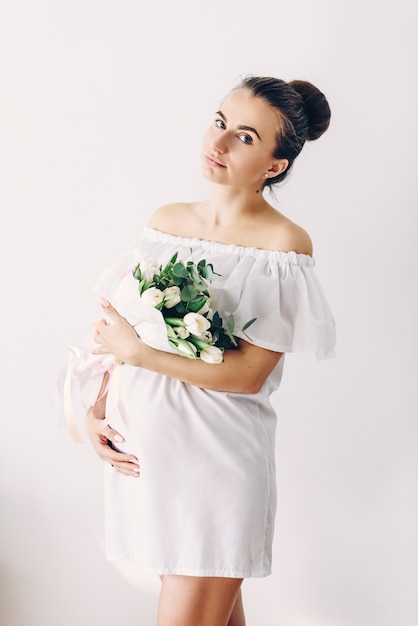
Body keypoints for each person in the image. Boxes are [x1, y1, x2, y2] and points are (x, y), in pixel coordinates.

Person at [83, 76, 336, 626]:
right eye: (219, 122)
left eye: (245, 137)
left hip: (215, 465)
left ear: (275, 165)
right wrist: (96, 407)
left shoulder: (282, 246)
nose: (217, 144)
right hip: (150, 461)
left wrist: (139, 354)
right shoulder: (166, 221)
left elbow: (248, 374)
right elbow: (115, 329)